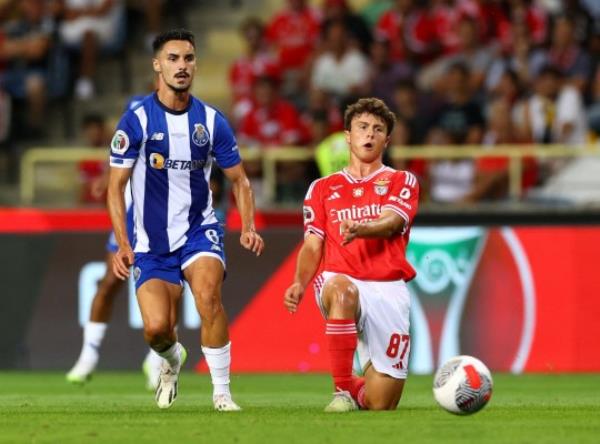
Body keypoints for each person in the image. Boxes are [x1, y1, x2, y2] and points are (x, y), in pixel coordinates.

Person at [107, 29, 264, 411]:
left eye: (189, 59)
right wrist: (123, 243)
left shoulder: (212, 122)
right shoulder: (136, 121)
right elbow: (115, 188)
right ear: (157, 65)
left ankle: (222, 393)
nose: (182, 66)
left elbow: (239, 179)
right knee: (157, 329)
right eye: (173, 59)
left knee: (209, 297)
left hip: (199, 230)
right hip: (150, 242)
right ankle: (172, 358)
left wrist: (247, 225)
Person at [283, 97, 420, 412]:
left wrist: (362, 228)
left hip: (388, 288)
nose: (369, 135)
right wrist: (299, 283)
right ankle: (341, 391)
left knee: (381, 403)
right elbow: (313, 244)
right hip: (339, 278)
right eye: (362, 127)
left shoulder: (402, 180)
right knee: (343, 292)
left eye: (377, 129)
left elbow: (394, 221)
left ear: (387, 139)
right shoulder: (321, 188)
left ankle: (358, 392)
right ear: (347, 135)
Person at [67, 105, 165, 389]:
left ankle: (156, 359)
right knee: (111, 281)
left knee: (167, 287)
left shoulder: (181, 125)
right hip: (132, 217)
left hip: (165, 219)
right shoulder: (135, 127)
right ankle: (88, 354)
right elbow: (123, 165)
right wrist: (107, 178)